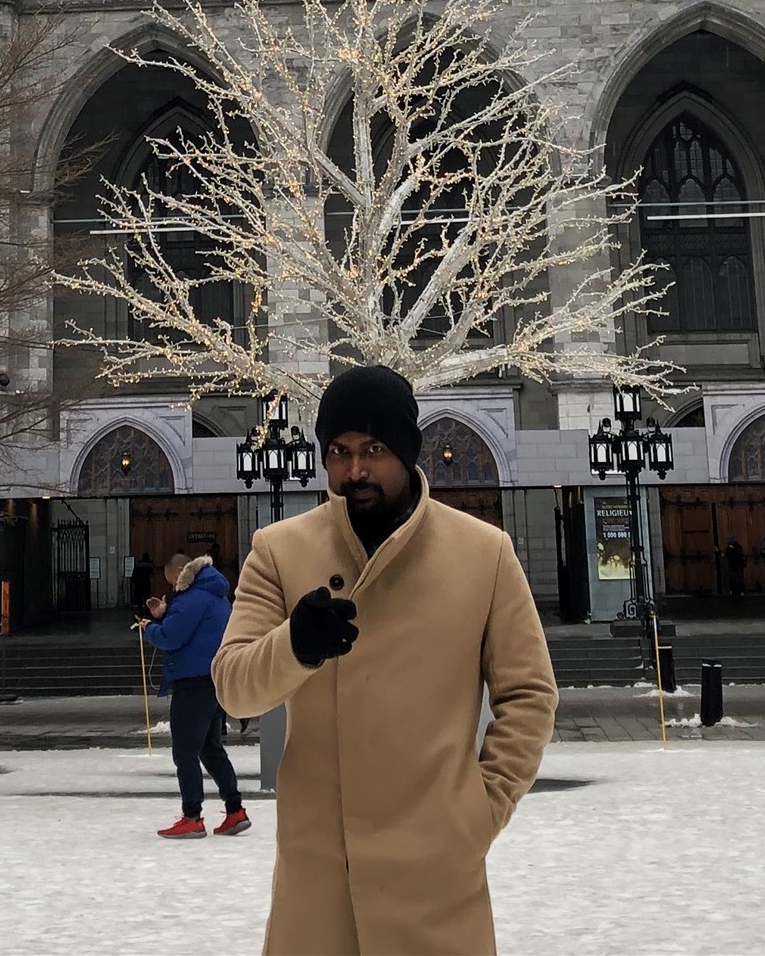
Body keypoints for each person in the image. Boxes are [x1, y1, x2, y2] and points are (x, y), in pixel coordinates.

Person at [212, 365, 558, 956]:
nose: (355, 471)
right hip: (320, 882)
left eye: (373, 449)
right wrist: (294, 645)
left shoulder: (484, 553)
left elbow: (529, 694)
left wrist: (480, 810)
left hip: (436, 876)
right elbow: (234, 688)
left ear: (406, 450)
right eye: (339, 452)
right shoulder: (279, 550)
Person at [140, 553, 251, 840]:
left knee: (185, 751)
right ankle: (235, 810)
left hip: (192, 682)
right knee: (210, 748)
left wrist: (150, 627)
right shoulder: (216, 594)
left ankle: (192, 816)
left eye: (172, 581)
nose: (173, 586)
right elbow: (195, 627)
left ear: (181, 571)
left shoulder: (192, 598)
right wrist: (166, 614)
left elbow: (172, 637)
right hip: (213, 679)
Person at [130, 552, 154, 617]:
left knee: (139, 601)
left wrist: (135, 582)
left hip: (138, 585)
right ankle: (147, 612)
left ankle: (140, 612)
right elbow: (152, 573)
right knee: (147, 599)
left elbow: (134, 575)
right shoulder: (149, 565)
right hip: (146, 585)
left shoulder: (138, 565)